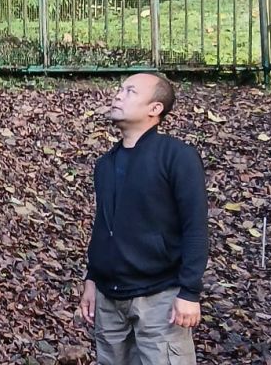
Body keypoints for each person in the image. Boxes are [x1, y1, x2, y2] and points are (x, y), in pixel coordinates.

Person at [78, 72, 208, 365]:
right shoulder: (105, 164)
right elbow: (105, 226)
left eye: (130, 91)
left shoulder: (177, 156)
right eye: (120, 89)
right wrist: (92, 278)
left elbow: (195, 228)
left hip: (160, 298)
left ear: (155, 109)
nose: (118, 95)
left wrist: (190, 291)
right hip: (109, 300)